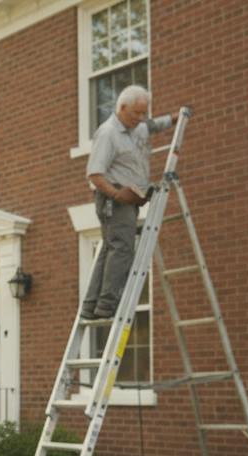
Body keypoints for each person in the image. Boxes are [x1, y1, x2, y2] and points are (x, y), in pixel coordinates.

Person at [83, 84, 178, 320]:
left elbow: (154, 125)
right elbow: (95, 174)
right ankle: (109, 304)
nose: (140, 117)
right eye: (136, 112)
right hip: (114, 198)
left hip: (129, 198)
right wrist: (117, 195)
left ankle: (92, 305)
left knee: (110, 248)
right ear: (121, 107)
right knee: (122, 248)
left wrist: (177, 117)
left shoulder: (138, 128)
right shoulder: (108, 134)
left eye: (143, 112)